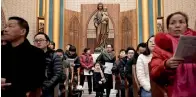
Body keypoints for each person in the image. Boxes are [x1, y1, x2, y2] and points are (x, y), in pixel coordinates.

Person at [150, 12, 196, 97]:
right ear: (168, 27)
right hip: (173, 90)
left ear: (186, 25)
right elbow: (153, 73)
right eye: (173, 23)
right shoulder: (161, 46)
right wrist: (165, 65)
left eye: (181, 22)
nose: (177, 25)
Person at [1, 16, 46, 97]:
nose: (6, 29)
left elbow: (37, 81)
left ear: (23, 31)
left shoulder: (36, 53)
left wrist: (6, 81)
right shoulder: (2, 50)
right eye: (5, 26)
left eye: (10, 26)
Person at [34, 32, 63, 97]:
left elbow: (58, 74)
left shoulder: (54, 56)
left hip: (47, 88)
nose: (38, 42)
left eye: (41, 40)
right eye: (36, 40)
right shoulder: (29, 55)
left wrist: (46, 86)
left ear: (47, 42)